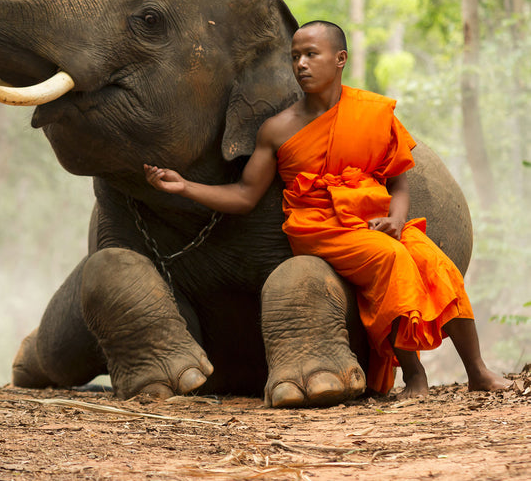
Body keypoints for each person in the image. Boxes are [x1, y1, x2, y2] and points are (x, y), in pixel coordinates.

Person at [144, 20, 510, 398]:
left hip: (373, 221)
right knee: (391, 261)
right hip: (320, 228)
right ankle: (414, 375)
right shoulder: (278, 129)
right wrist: (185, 186)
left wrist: (397, 220)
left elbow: (398, 181)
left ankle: (477, 371)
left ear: (340, 59)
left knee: (438, 266)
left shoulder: (371, 112)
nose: (300, 64)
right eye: (295, 56)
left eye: (311, 54)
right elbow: (244, 196)